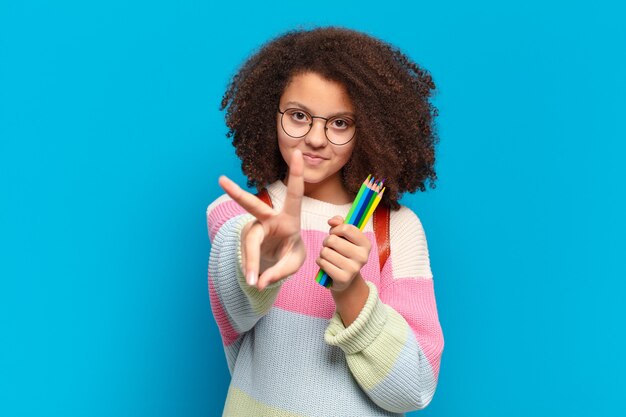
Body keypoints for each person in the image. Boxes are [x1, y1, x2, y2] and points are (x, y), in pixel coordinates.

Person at [206, 26, 444, 417]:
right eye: (299, 116)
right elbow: (234, 311)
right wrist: (260, 257)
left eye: (339, 123)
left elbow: (413, 390)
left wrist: (352, 292)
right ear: (271, 113)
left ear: (368, 130)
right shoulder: (242, 215)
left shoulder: (397, 230)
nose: (316, 138)